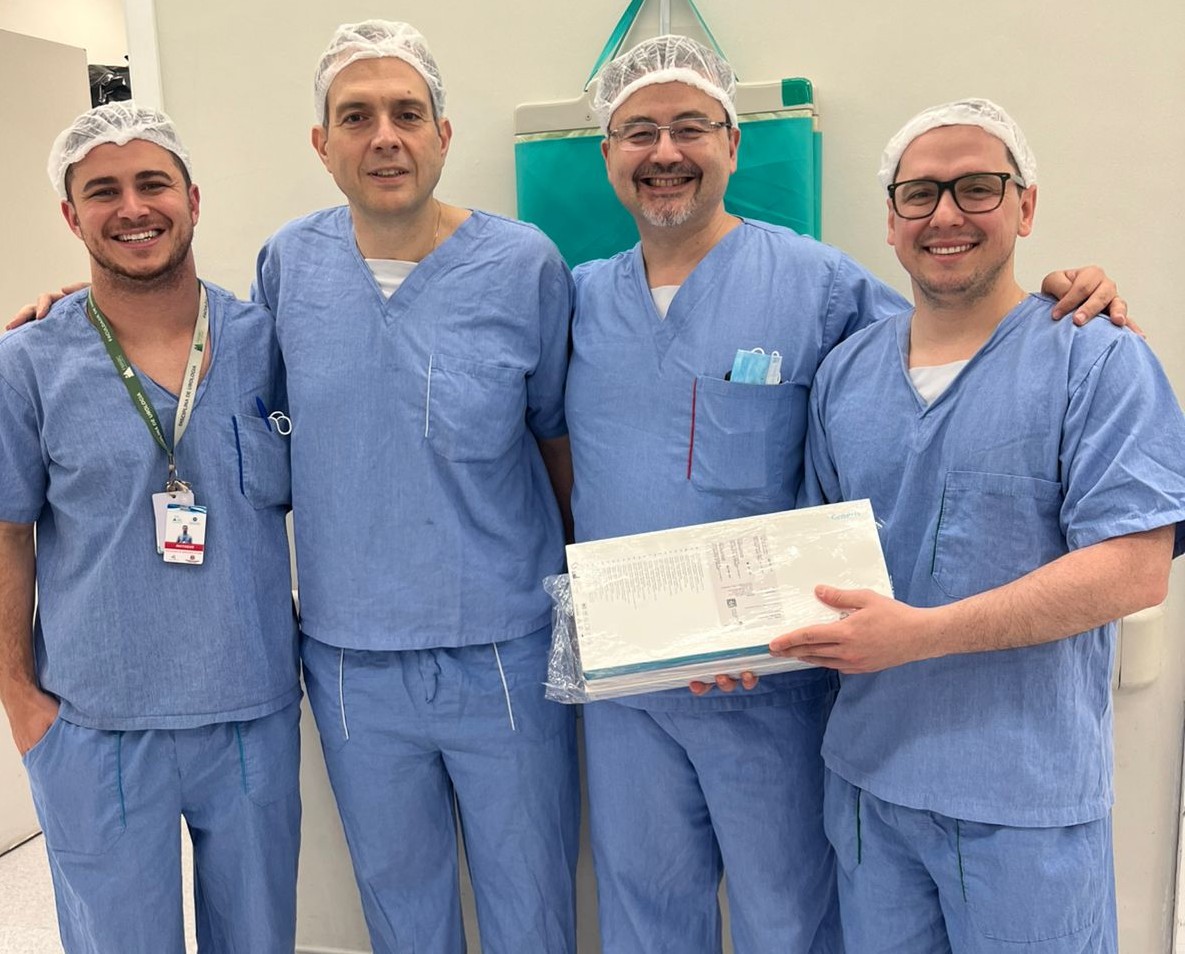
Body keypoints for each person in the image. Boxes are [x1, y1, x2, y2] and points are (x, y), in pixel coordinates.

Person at [565, 37, 1129, 954]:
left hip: (774, 688)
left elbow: (954, 335)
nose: (664, 151)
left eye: (690, 126)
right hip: (627, 690)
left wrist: (1066, 296)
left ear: (733, 143)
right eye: (639, 131)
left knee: (790, 920)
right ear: (607, 154)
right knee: (641, 916)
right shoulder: (578, 300)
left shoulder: (817, 285)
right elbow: (547, 442)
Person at [771, 98, 1185, 953]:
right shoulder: (846, 374)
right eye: (919, 193)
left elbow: (1132, 568)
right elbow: (812, 562)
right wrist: (719, 651)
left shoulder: (1096, 357)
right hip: (868, 787)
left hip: (1022, 805)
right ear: (890, 220)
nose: (946, 214)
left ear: (1024, 206)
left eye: (977, 188)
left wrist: (919, 636)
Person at [252, 21, 578, 954]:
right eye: (356, 117)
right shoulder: (288, 265)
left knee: (531, 902)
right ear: (322, 144)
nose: (384, 137)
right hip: (350, 657)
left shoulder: (523, 265)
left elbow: (556, 439)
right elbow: (243, 396)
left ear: (442, 132)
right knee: (400, 912)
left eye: (405, 113)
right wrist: (74, 310)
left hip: (505, 645)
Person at [0, 103, 300, 953]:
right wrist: (19, 698)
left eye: (152, 184)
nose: (133, 208)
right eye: (103, 191)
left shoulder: (267, 344)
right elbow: (6, 533)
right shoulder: (27, 364)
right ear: (71, 217)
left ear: (193, 200)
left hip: (250, 710)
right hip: (95, 722)